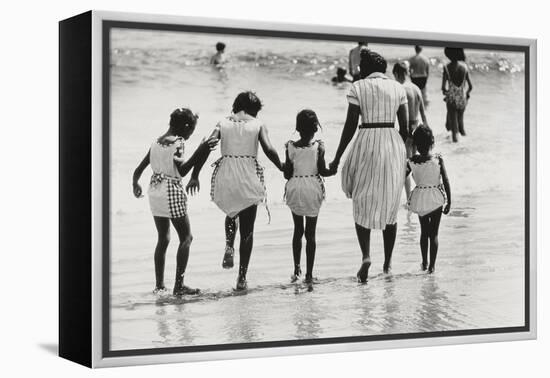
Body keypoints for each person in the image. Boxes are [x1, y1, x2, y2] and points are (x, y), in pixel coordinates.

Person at [329, 50, 409, 283]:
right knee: (390, 204)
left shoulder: (358, 87)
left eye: (361, 66)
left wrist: (336, 158)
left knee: (361, 199)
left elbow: (350, 125)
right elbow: (404, 128)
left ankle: (366, 256)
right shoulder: (398, 88)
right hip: (392, 143)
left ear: (366, 68)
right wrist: (401, 155)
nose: (358, 70)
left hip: (366, 139)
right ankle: (388, 264)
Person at [132, 108, 218, 296]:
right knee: (186, 237)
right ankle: (179, 286)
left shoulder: (156, 142)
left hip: (154, 190)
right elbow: (183, 170)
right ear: (185, 127)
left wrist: (135, 183)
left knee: (163, 239)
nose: (189, 135)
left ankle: (159, 285)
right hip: (171, 190)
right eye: (191, 130)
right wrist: (201, 149)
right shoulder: (178, 143)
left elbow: (139, 169)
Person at [207, 91, 285, 290]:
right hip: (248, 175)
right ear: (254, 111)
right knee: (248, 231)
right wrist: (283, 167)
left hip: (226, 173)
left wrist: (195, 172)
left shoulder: (222, 123)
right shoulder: (258, 125)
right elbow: (268, 149)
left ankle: (228, 245)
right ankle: (241, 278)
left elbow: (209, 143)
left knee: (232, 211)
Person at [283, 110, 334, 285]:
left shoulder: (290, 146)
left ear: (297, 128)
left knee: (298, 231)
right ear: (315, 128)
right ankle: (309, 275)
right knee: (310, 234)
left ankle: (296, 269)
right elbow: (323, 171)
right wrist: (334, 168)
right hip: (312, 187)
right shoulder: (319, 147)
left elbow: (287, 174)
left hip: (295, 187)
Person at [406, 125, 451, 273]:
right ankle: (432, 266)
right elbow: (445, 180)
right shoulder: (438, 160)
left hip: (420, 199)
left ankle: (424, 262)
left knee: (424, 233)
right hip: (436, 199)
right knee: (434, 234)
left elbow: (400, 178)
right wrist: (449, 201)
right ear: (432, 142)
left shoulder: (412, 161)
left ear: (416, 145)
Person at [392, 61, 428, 200]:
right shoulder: (416, 88)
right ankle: (421, 192)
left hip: (406, 131)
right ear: (408, 72)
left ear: (396, 74)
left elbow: (399, 115)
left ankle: (408, 199)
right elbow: (424, 115)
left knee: (405, 166)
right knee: (416, 164)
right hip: (417, 129)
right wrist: (427, 133)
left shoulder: (400, 89)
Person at [442, 47, 473, 142]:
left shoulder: (447, 68)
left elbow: (443, 88)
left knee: (454, 130)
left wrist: (447, 93)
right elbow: (471, 86)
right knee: (461, 126)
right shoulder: (464, 67)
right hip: (462, 99)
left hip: (451, 100)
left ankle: (456, 151)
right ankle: (466, 146)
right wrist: (466, 94)